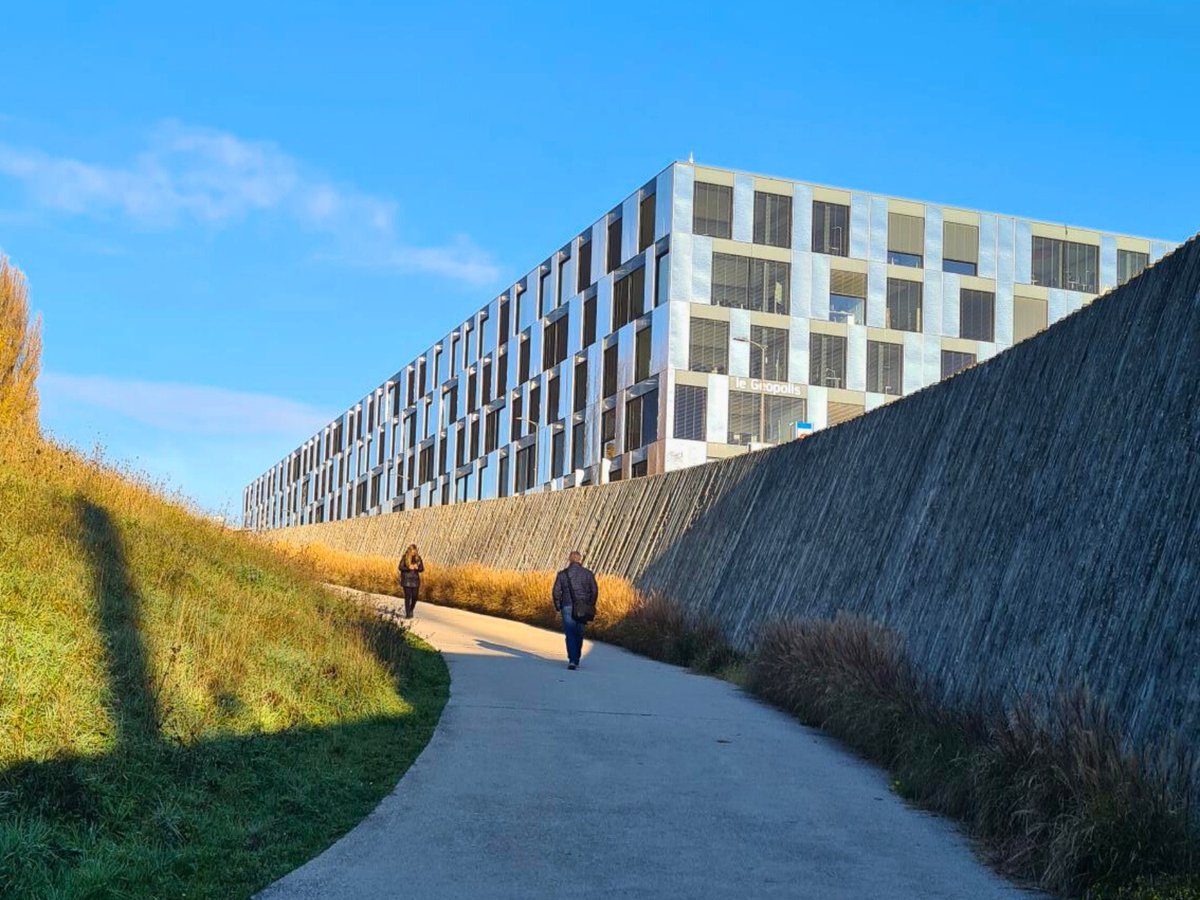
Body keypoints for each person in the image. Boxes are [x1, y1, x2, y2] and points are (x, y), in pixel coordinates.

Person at [552, 550, 598, 670]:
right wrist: (590, 604)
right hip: (583, 607)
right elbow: (594, 591)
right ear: (580, 560)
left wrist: (558, 606)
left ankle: (572, 659)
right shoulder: (588, 574)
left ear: (569, 560)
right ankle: (576, 658)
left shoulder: (562, 574)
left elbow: (556, 592)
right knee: (579, 633)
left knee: (570, 633)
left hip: (567, 606)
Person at [397, 544, 425, 619]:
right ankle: (407, 613)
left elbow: (422, 569)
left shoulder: (418, 558)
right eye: (413, 551)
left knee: (415, 597)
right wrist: (408, 568)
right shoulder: (405, 557)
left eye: (415, 551)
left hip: (415, 580)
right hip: (406, 579)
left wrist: (417, 568)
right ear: (410, 550)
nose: (414, 552)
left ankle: (411, 609)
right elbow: (400, 567)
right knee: (408, 596)